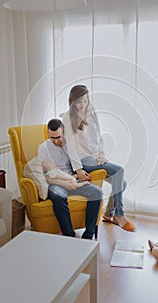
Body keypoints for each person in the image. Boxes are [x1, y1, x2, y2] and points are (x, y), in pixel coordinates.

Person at [62, 84, 135, 232]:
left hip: (96, 157)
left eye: (85, 100)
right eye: (79, 102)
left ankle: (108, 214)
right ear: (73, 101)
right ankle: (119, 215)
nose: (83, 105)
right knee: (119, 171)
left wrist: (102, 154)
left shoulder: (91, 110)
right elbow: (70, 146)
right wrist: (78, 169)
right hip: (83, 160)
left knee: (122, 183)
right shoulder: (67, 117)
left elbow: (99, 136)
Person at [38, 118, 103, 240]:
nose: (56, 141)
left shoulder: (72, 144)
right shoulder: (43, 148)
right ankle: (69, 237)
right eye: (52, 138)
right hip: (56, 182)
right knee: (58, 196)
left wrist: (78, 175)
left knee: (97, 193)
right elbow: (46, 175)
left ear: (63, 132)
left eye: (58, 137)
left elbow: (81, 161)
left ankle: (88, 235)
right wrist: (64, 182)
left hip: (74, 178)